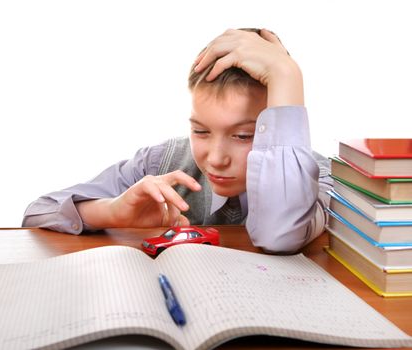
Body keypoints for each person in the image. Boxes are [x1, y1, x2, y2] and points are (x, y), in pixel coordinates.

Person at [22, 28, 332, 253]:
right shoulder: (161, 162)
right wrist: (113, 211)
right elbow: (38, 212)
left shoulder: (322, 179)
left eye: (243, 136)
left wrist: (285, 73)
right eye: (200, 131)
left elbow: (279, 236)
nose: (216, 158)